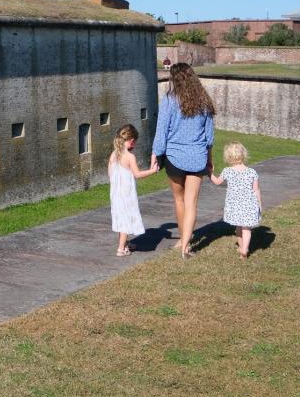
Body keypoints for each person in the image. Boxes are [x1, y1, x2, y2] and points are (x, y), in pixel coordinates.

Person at [151, 62, 216, 258]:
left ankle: (182, 240)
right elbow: (209, 137)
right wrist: (209, 159)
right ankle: (187, 244)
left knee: (179, 200)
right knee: (191, 203)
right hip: (197, 157)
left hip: (174, 157)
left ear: (174, 79)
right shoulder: (204, 101)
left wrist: (156, 153)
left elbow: (161, 131)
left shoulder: (169, 100)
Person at [108, 123, 160, 256]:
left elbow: (110, 174)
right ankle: (121, 249)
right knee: (126, 219)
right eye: (134, 142)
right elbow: (137, 175)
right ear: (131, 141)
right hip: (126, 193)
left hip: (116, 193)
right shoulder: (130, 157)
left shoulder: (114, 155)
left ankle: (125, 243)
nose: (134, 145)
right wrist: (152, 171)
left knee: (121, 217)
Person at [211, 142, 263, 258]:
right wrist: (259, 204)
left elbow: (217, 182)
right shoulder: (252, 172)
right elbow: (256, 190)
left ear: (228, 157)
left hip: (235, 205)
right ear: (244, 154)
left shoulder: (227, 171)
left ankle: (243, 248)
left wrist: (208, 172)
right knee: (246, 228)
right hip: (249, 204)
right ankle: (243, 249)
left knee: (238, 227)